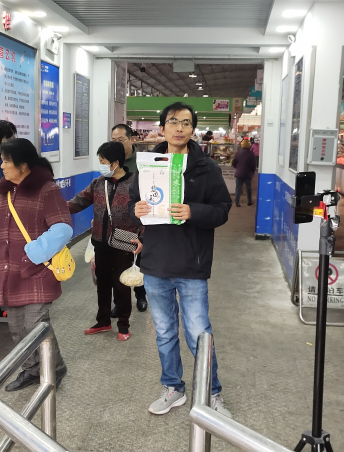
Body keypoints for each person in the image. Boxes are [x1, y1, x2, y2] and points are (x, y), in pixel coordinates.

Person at [129, 102, 232, 418]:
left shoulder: (206, 168)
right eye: (173, 121)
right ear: (162, 128)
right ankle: (173, 387)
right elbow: (135, 202)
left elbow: (222, 210)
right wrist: (136, 209)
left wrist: (193, 211)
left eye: (186, 123)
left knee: (199, 333)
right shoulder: (148, 166)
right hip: (155, 263)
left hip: (191, 264)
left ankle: (211, 392)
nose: (179, 128)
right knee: (164, 332)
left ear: (192, 129)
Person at [0, 138, 71, 392]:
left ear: (23, 165)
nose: (1, 166)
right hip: (9, 271)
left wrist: (34, 253)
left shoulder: (47, 190)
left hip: (37, 270)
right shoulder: (4, 190)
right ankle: (32, 369)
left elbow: (62, 228)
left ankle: (54, 368)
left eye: (6, 161)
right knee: (16, 327)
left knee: (35, 324)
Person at [69, 141, 140, 340]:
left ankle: (123, 325)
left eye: (103, 161)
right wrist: (55, 208)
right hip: (100, 242)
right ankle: (103, 321)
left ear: (115, 163)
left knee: (121, 285)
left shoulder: (135, 183)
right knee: (102, 284)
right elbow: (78, 202)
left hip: (124, 243)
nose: (100, 165)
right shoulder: (98, 183)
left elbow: (144, 212)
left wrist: (142, 236)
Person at [111, 124, 149, 314]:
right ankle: (119, 303)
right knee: (118, 264)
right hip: (117, 223)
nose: (117, 144)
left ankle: (141, 295)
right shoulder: (111, 162)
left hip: (137, 221)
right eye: (113, 140)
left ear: (131, 139)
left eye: (121, 140)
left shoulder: (142, 162)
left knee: (138, 259)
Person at [232, 139, 257, 207]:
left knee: (238, 188)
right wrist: (252, 172)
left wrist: (238, 168)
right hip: (248, 174)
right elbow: (254, 165)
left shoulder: (238, 153)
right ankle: (249, 201)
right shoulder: (251, 154)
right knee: (248, 188)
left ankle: (237, 202)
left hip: (239, 174)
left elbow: (233, 163)